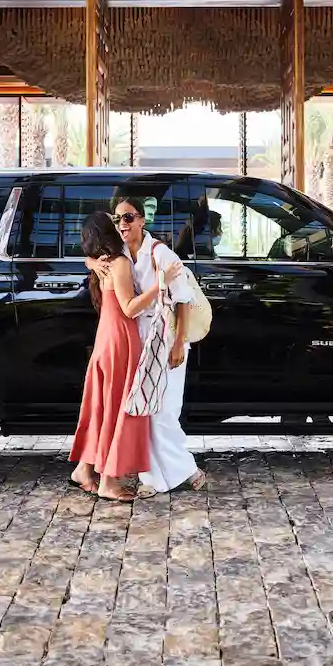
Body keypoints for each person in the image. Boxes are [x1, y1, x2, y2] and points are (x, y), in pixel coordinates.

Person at [69, 209, 170, 501]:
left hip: (105, 340)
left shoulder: (102, 263)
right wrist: (158, 287)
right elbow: (129, 308)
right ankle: (109, 482)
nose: (121, 225)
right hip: (120, 341)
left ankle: (84, 470)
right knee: (118, 407)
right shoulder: (120, 263)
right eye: (115, 222)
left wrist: (88, 260)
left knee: (101, 406)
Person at [115, 197, 205, 495]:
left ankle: (188, 471)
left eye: (128, 218)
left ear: (142, 220)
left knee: (165, 411)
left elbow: (184, 299)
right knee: (147, 410)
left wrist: (178, 344)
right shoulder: (122, 256)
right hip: (141, 339)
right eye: (117, 220)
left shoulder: (160, 253)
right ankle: (154, 478)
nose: (123, 225)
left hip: (167, 338)